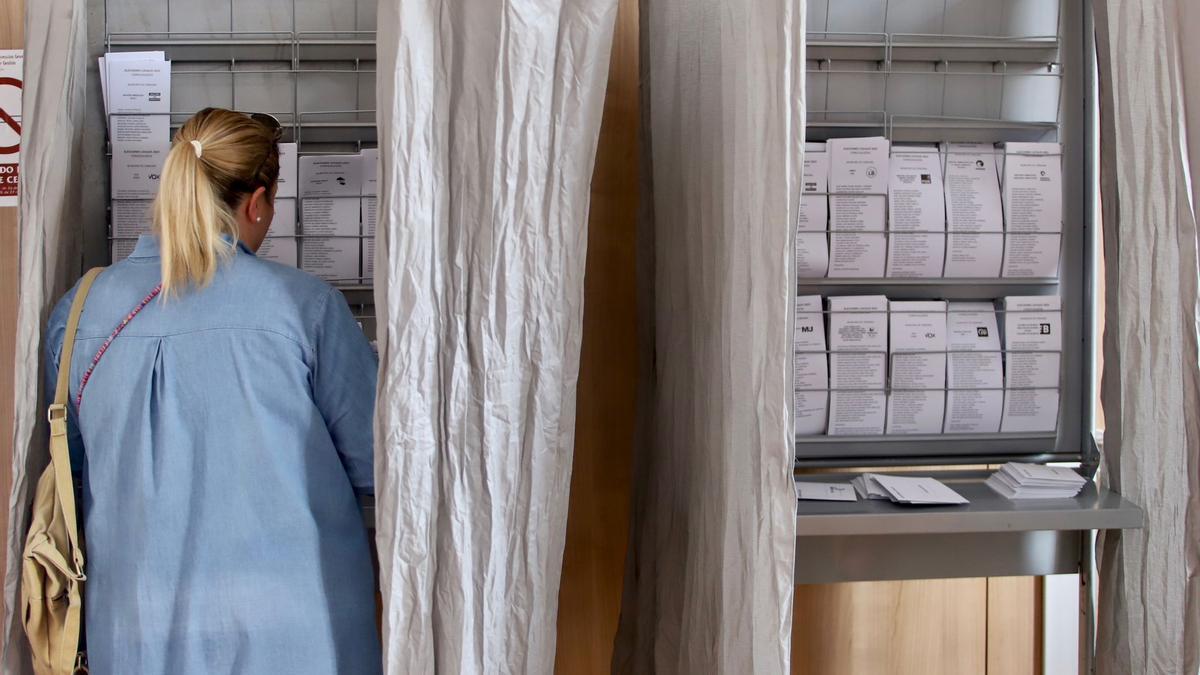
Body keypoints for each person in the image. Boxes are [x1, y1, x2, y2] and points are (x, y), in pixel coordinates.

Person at [43, 108, 382, 674]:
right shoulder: (306, 309)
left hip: (134, 639)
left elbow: (74, 473)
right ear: (257, 202)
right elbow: (380, 463)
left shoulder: (79, 312)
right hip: (299, 640)